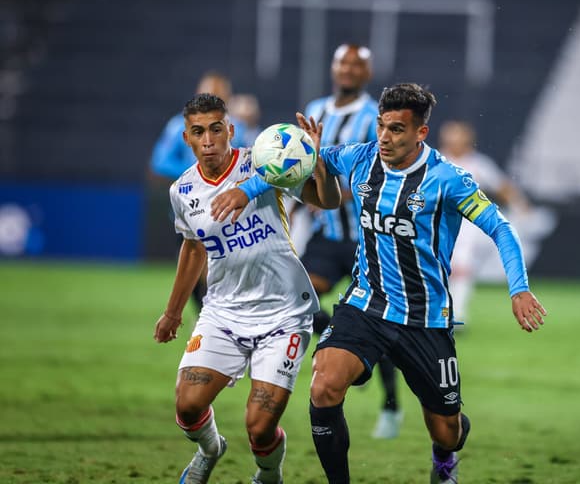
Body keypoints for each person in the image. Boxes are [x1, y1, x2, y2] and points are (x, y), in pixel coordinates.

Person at [210, 83, 548, 484]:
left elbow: (501, 228)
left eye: (397, 130)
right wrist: (245, 190)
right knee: (323, 386)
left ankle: (445, 458)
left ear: (421, 132)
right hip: (365, 304)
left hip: (425, 318)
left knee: (448, 432)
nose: (385, 138)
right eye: (382, 126)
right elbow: (296, 163)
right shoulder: (361, 157)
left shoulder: (448, 179)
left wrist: (519, 288)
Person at [153, 93, 340, 484]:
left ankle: (269, 474)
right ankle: (210, 449)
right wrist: (172, 312)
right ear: (187, 138)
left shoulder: (263, 162)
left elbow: (327, 200)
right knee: (187, 407)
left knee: (259, 427)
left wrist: (315, 161)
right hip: (223, 312)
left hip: (284, 314)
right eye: (198, 133)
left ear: (230, 131)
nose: (208, 141)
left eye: (216, 130)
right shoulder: (182, 192)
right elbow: (193, 248)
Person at [299, 43, 404, 439]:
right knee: (299, 297)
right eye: (343, 62)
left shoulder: (374, 118)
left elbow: (382, 169)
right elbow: (305, 165)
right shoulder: (317, 109)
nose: (348, 69)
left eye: (357, 64)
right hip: (327, 237)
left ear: (367, 73)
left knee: (382, 322)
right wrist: (301, 195)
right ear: (333, 67)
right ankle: (340, 336)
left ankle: (391, 406)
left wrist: (336, 191)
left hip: (370, 240)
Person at [147, 71, 246, 312]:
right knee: (196, 275)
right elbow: (159, 163)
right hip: (193, 212)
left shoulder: (237, 128)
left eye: (218, 95)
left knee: (223, 276)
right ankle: (207, 323)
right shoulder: (177, 127)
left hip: (229, 214)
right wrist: (198, 171)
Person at [438, 120, 531, 327]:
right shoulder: (435, 160)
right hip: (435, 221)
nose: (453, 142)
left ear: (468, 141)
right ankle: (437, 312)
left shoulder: (478, 164)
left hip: (467, 223)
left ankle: (457, 314)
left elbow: (502, 186)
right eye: (450, 137)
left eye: (458, 138)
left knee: (461, 265)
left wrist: (518, 204)